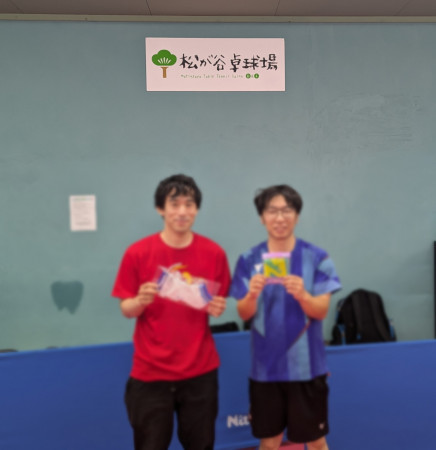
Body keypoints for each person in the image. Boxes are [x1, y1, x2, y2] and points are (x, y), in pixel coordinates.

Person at [112, 174, 231, 450]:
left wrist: (218, 307)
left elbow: (217, 303)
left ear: (197, 209)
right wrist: (139, 301)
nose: (182, 212)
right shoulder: (137, 253)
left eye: (189, 204)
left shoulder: (214, 253)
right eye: (174, 204)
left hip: (200, 371)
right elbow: (126, 310)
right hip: (150, 373)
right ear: (160, 209)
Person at [230, 185, 341, 450]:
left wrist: (303, 295)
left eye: (287, 210)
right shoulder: (248, 259)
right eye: (272, 211)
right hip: (265, 370)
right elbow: (244, 312)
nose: (280, 217)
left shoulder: (318, 257)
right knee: (269, 442)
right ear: (262, 217)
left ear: (297, 216)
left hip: (307, 369)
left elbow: (321, 311)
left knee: (316, 441)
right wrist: (252, 295)